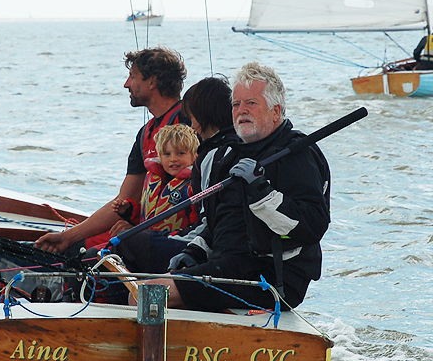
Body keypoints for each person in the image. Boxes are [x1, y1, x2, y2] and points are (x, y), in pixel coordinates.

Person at [122, 62, 330, 312]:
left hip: (272, 278)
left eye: (251, 103)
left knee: (145, 296)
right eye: (236, 104)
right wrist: (195, 251)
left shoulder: (298, 155)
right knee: (136, 287)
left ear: (276, 111)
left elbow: (311, 227)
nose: (241, 111)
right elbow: (220, 225)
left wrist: (262, 194)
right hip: (229, 266)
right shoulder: (232, 154)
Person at [34, 46, 187, 254]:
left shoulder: (188, 121)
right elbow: (123, 201)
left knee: (91, 257)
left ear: (152, 82)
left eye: (132, 77)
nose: (126, 84)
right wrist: (67, 237)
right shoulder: (145, 134)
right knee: (71, 249)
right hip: (141, 227)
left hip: (172, 237)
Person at [110, 123, 199, 235]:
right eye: (167, 154)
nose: (173, 159)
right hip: (150, 238)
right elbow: (146, 215)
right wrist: (128, 210)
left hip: (175, 240)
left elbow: (197, 224)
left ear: (194, 156)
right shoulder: (154, 179)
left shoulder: (194, 184)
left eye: (180, 153)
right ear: (160, 157)